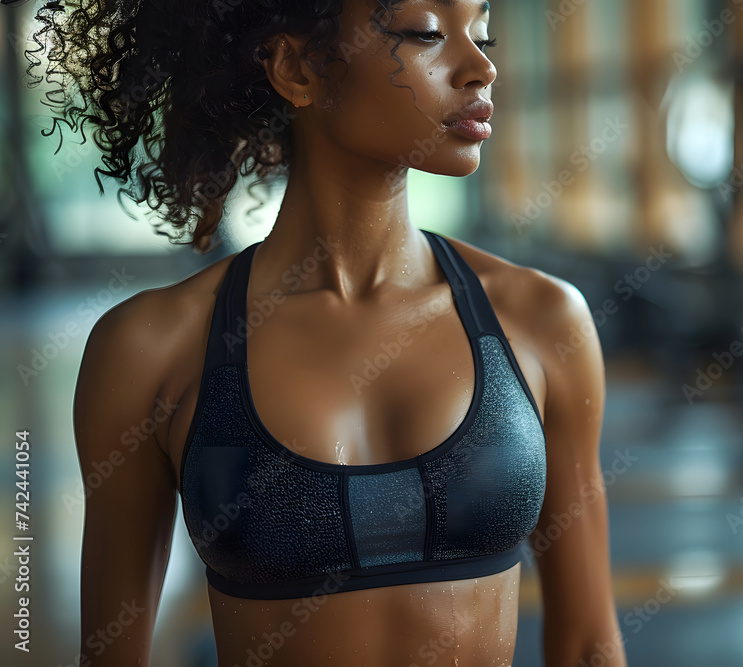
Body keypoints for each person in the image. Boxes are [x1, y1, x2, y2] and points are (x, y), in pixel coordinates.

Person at [8, 0, 626, 663]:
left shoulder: (542, 322)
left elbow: (590, 644)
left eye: (482, 34)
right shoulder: (148, 350)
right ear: (297, 68)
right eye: (425, 33)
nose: (480, 67)